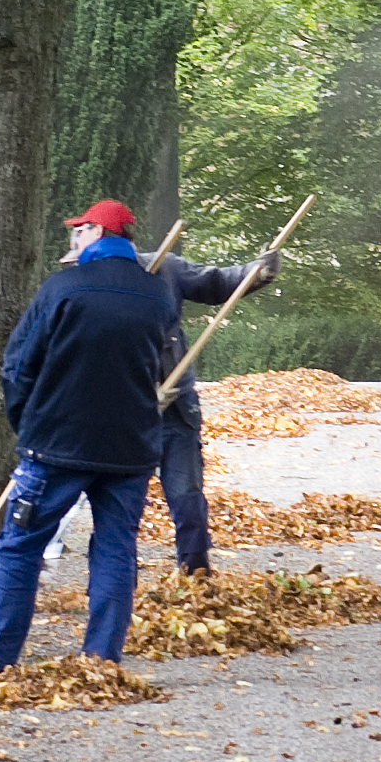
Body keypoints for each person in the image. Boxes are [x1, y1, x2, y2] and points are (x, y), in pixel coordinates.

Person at [0, 202, 187, 669]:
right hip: (130, 448)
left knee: (20, 547)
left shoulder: (63, 288)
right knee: (116, 549)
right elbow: (161, 371)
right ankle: (102, 660)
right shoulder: (157, 297)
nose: (73, 240)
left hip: (55, 445)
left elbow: (17, 366)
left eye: (78, 231)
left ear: (96, 232)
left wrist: (27, 424)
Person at [143, 228, 280, 577]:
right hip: (127, 412)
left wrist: (257, 271)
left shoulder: (166, 269)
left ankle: (195, 572)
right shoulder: (92, 285)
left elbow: (217, 281)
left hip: (176, 405)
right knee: (119, 501)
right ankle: (115, 583)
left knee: (186, 495)